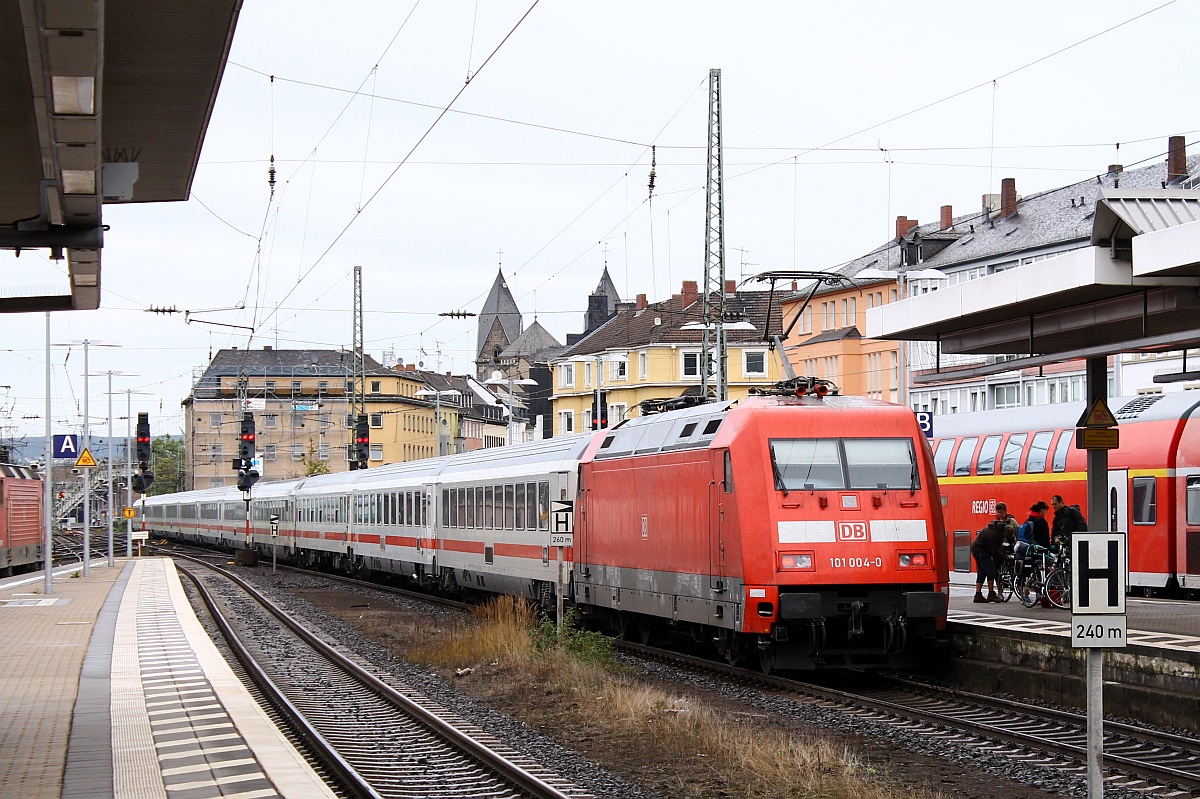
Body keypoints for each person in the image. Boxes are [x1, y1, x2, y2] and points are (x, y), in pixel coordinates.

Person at [970, 506, 1010, 603]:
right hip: (980, 550)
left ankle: (978, 594)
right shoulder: (993, 535)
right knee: (991, 570)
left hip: (976, 549)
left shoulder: (996, 528)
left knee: (982, 572)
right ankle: (991, 593)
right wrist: (1005, 557)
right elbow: (994, 552)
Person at [1016, 502, 1050, 598]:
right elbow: (1045, 539)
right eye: (1045, 510)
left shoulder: (1029, 520)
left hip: (1028, 549)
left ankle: (1024, 594)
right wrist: (1048, 549)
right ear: (1042, 510)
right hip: (1038, 550)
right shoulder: (1042, 522)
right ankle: (1041, 594)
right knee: (1043, 571)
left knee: (1028, 570)